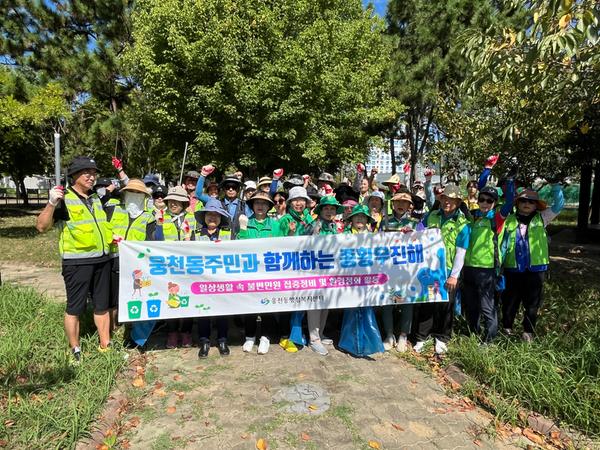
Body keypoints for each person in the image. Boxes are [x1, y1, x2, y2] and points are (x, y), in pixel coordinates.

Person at [36, 156, 113, 361]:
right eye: (86, 172)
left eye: (94, 172)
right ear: (74, 176)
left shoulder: (95, 197)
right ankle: (75, 349)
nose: (91, 176)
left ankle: (106, 344)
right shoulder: (63, 199)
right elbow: (41, 227)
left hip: (102, 259)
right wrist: (51, 203)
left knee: (102, 305)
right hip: (77, 262)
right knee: (75, 307)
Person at [500, 183, 564, 341]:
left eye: (531, 202)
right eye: (523, 201)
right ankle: (506, 329)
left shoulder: (542, 218)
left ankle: (528, 332)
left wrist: (556, 187)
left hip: (535, 270)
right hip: (512, 268)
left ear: (536, 205)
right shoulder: (509, 219)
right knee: (509, 302)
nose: (527, 204)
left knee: (532, 303)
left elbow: (558, 206)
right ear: (517, 203)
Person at [413, 184, 470, 354]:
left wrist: (454, 276)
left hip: (449, 270)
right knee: (429, 303)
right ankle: (422, 337)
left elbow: (461, 252)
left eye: (452, 199)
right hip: (430, 268)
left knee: (446, 306)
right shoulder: (432, 216)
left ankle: (442, 337)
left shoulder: (463, 224)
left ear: (458, 202)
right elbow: (419, 231)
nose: (447, 202)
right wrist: (411, 232)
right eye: (445, 198)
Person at [462, 171, 514, 343]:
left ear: (495, 203)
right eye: (482, 199)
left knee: (487, 307)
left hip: (486, 270)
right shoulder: (474, 216)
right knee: (471, 306)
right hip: (468, 268)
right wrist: (487, 168)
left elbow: (510, 202)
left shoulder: (497, 218)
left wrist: (511, 181)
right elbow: (480, 186)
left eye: (489, 201)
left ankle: (489, 340)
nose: (485, 203)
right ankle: (473, 334)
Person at [105, 179, 156, 334]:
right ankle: (112, 331)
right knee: (112, 299)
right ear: (124, 194)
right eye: (131, 192)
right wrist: (110, 236)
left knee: (136, 297)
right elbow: (102, 228)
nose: (134, 195)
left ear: (144, 196)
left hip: (137, 266)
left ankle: (133, 333)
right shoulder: (113, 209)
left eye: (139, 193)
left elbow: (151, 242)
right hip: (113, 260)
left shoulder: (149, 217)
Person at [237, 191, 284, 355]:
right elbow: (237, 248)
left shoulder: (276, 225)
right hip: (250, 273)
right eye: (257, 203)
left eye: (264, 203)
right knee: (249, 306)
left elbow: (284, 247)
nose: (260, 206)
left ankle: (265, 337)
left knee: (267, 305)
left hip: (269, 273)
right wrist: (242, 230)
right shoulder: (246, 223)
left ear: (269, 206)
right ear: (252, 206)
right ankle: (249, 337)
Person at [338, 205, 385, 357]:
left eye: (363, 217)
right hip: (349, 280)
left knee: (366, 312)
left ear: (367, 220)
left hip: (367, 280)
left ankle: (367, 344)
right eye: (357, 216)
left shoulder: (373, 237)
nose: (359, 219)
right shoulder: (343, 236)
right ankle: (349, 344)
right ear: (351, 219)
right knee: (350, 311)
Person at [381, 189, 424, 352]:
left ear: (410, 206)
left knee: (407, 303)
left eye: (404, 202)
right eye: (398, 202)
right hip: (390, 269)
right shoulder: (385, 222)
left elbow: (424, 242)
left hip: (409, 271)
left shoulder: (416, 223)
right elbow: (377, 242)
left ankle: (403, 336)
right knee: (388, 302)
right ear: (393, 204)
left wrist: (413, 234)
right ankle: (389, 334)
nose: (401, 205)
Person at [156, 186, 196, 348]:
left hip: (187, 265)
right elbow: (157, 240)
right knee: (170, 298)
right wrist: (158, 224)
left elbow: (195, 239)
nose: (173, 204)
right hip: (168, 266)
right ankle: (172, 333)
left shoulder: (191, 217)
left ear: (184, 203)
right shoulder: (161, 217)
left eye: (177, 201)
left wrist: (189, 239)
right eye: (171, 201)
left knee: (187, 297)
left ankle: (186, 332)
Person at [278, 186, 316, 352]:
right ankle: (289, 335)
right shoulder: (285, 220)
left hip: (308, 265)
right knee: (292, 300)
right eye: (295, 200)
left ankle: (300, 333)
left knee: (305, 300)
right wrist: (290, 234)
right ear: (290, 202)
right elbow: (278, 244)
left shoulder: (311, 219)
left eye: (302, 200)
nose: (299, 203)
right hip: (290, 266)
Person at [195, 198, 233, 358]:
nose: (212, 217)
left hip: (221, 279)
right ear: (203, 216)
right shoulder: (194, 234)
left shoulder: (228, 234)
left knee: (222, 311)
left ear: (221, 218)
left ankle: (222, 340)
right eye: (209, 214)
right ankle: (204, 342)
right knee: (203, 311)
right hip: (201, 280)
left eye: (216, 215)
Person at [306, 196, 344, 355]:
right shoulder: (315, 225)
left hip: (330, 271)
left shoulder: (335, 226)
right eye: (326, 208)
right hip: (315, 271)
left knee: (325, 304)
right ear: (320, 210)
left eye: (332, 209)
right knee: (315, 304)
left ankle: (320, 333)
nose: (329, 211)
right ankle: (313, 339)